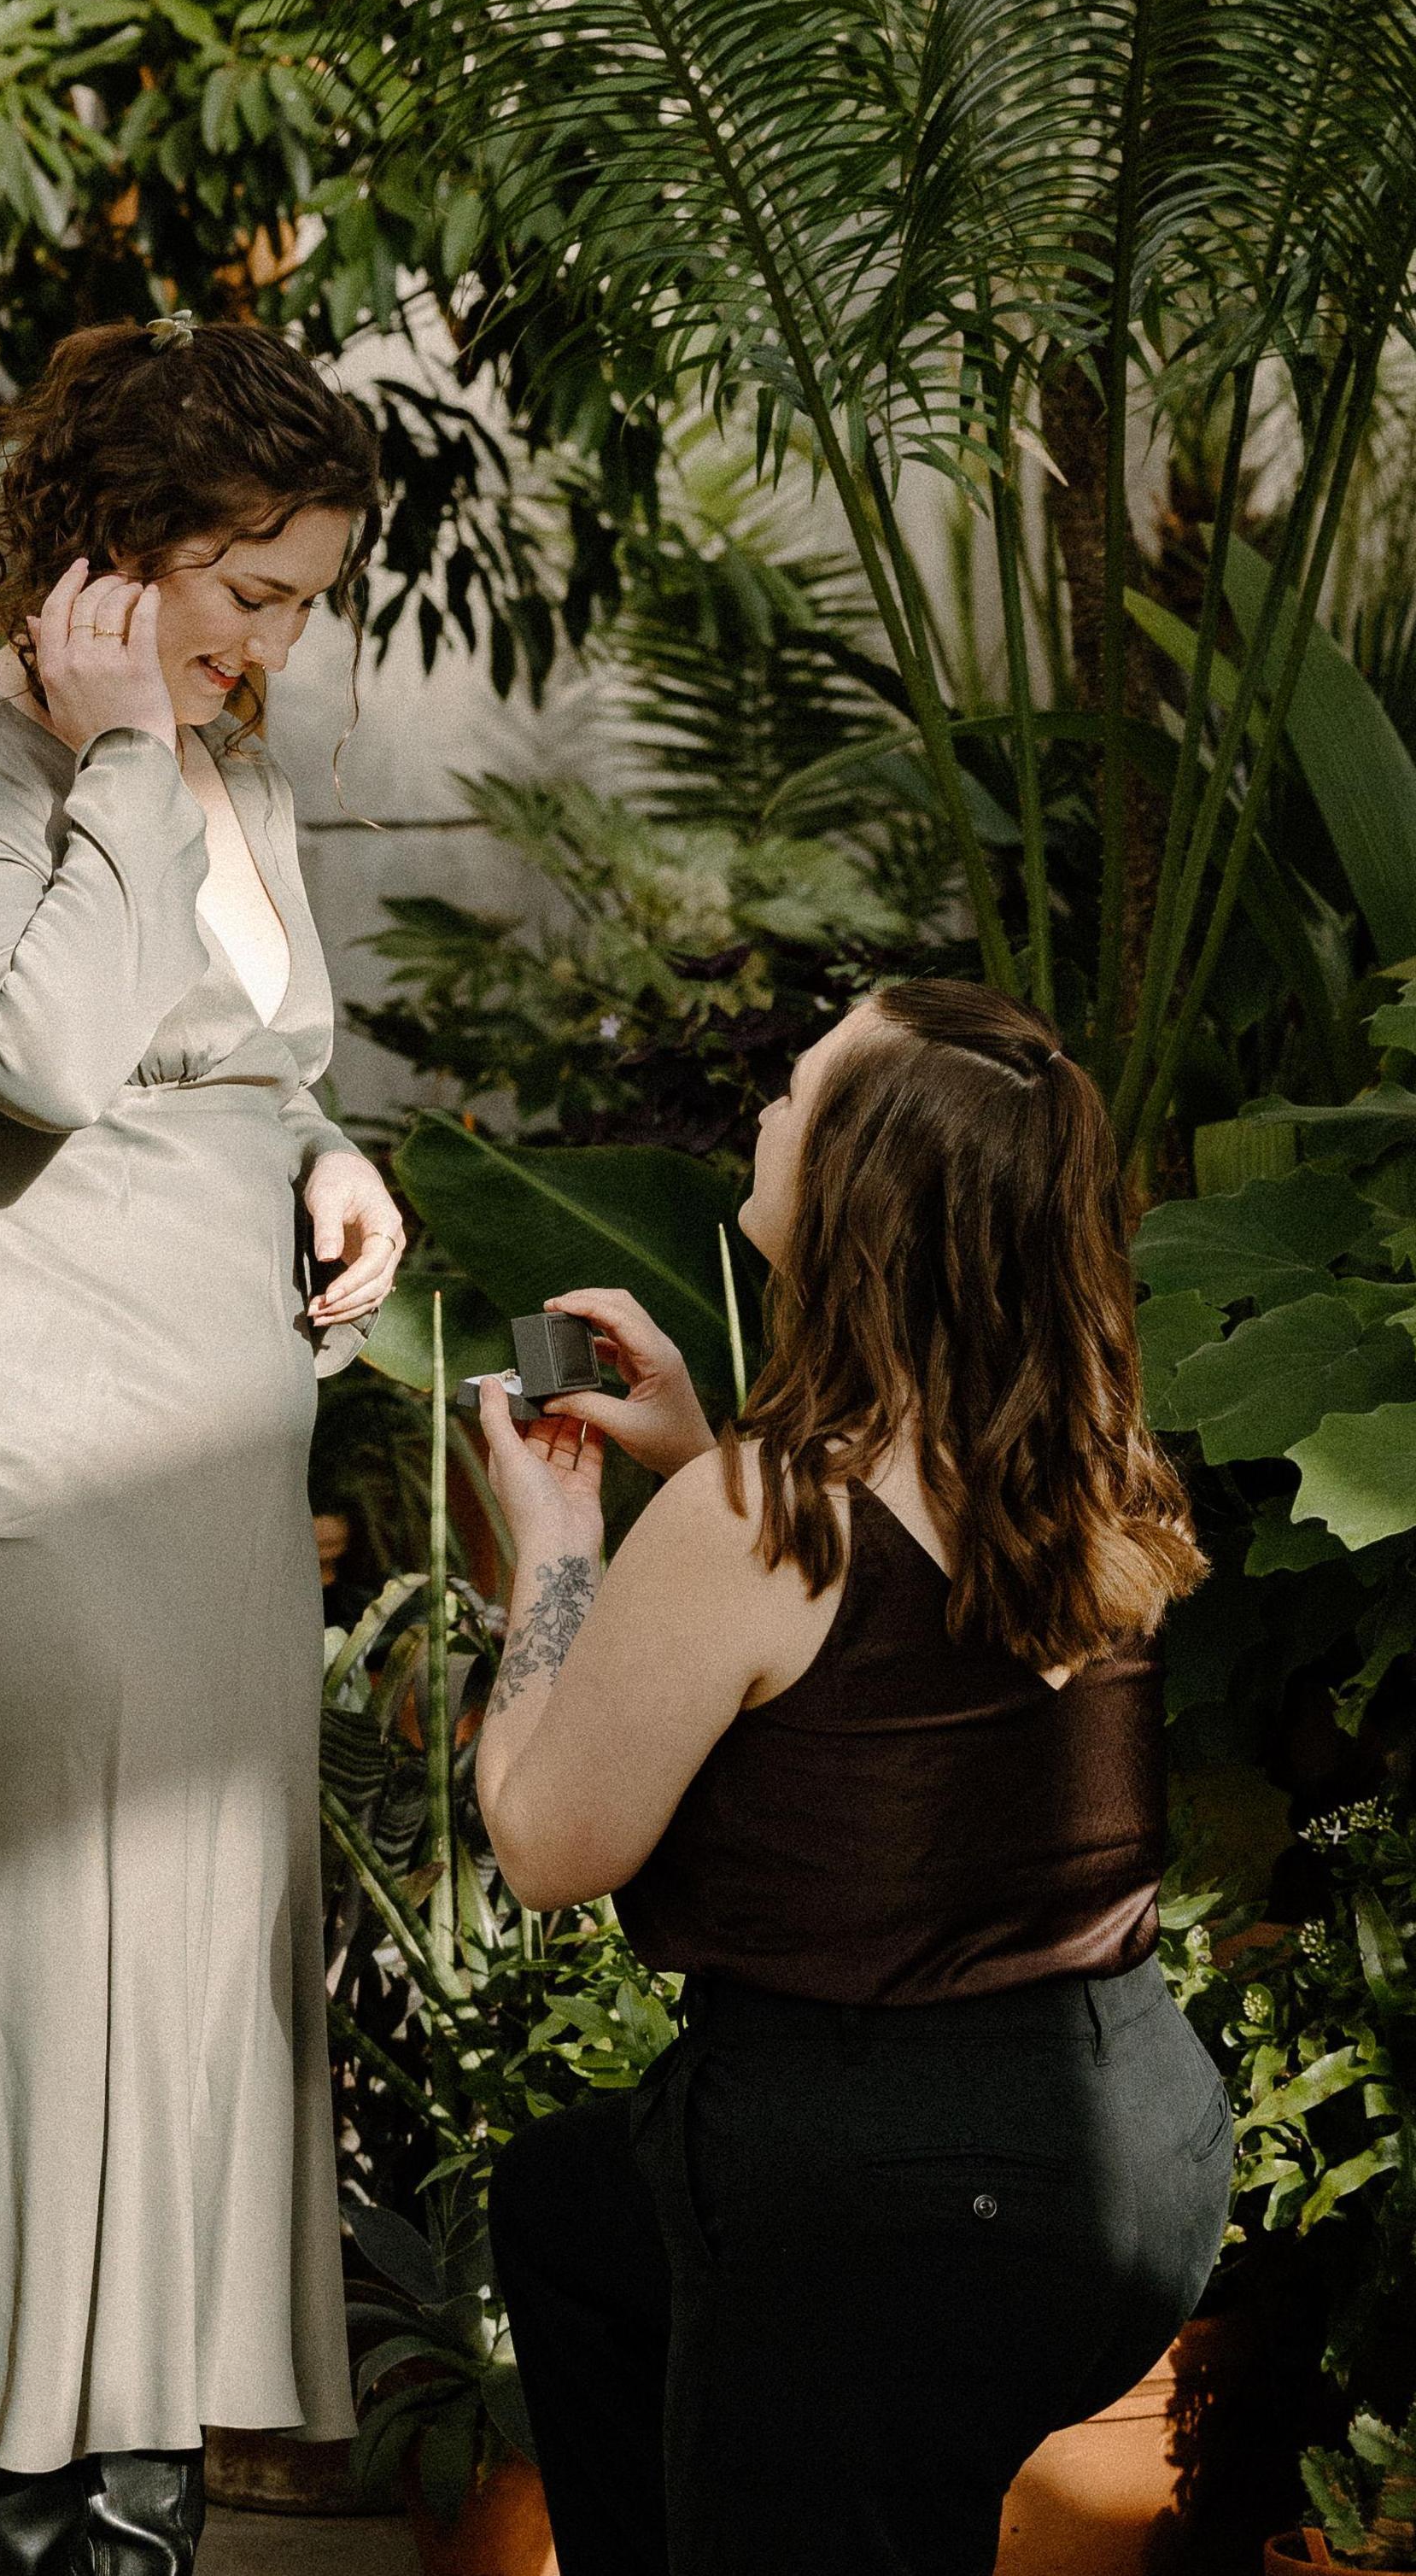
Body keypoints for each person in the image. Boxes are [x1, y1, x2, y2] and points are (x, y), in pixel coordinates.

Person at [0, 316, 408, 2576]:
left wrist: (327, 1151)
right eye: (251, 588)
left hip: (212, 1474)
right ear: (115, 549)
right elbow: (38, 1048)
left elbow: (232, 1042)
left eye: (309, 596)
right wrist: (121, 746)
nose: (276, 644)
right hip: (11, 1462)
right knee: (50, 2025)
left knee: (181, 2022)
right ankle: (52, 2542)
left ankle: (136, 2527)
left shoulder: (244, 784)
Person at [471, 981, 1228, 2576]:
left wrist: (555, 1556)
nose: (764, 1105)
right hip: (1130, 2159)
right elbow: (888, 1637)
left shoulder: (763, 1512)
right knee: (569, 2208)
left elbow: (547, 1846)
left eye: (798, 1091)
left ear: (861, 1195)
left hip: (886, 2201)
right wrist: (697, 1451)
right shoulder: (1086, 1458)